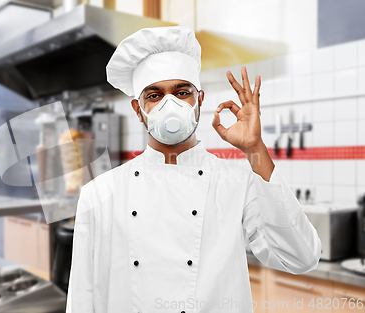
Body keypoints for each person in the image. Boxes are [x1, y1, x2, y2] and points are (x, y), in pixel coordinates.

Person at [66, 25, 321, 313]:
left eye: (181, 92)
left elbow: (303, 258)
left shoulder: (236, 183)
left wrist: (255, 151)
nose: (169, 104)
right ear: (138, 110)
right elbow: (81, 298)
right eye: (154, 96)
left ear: (199, 100)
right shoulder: (99, 194)